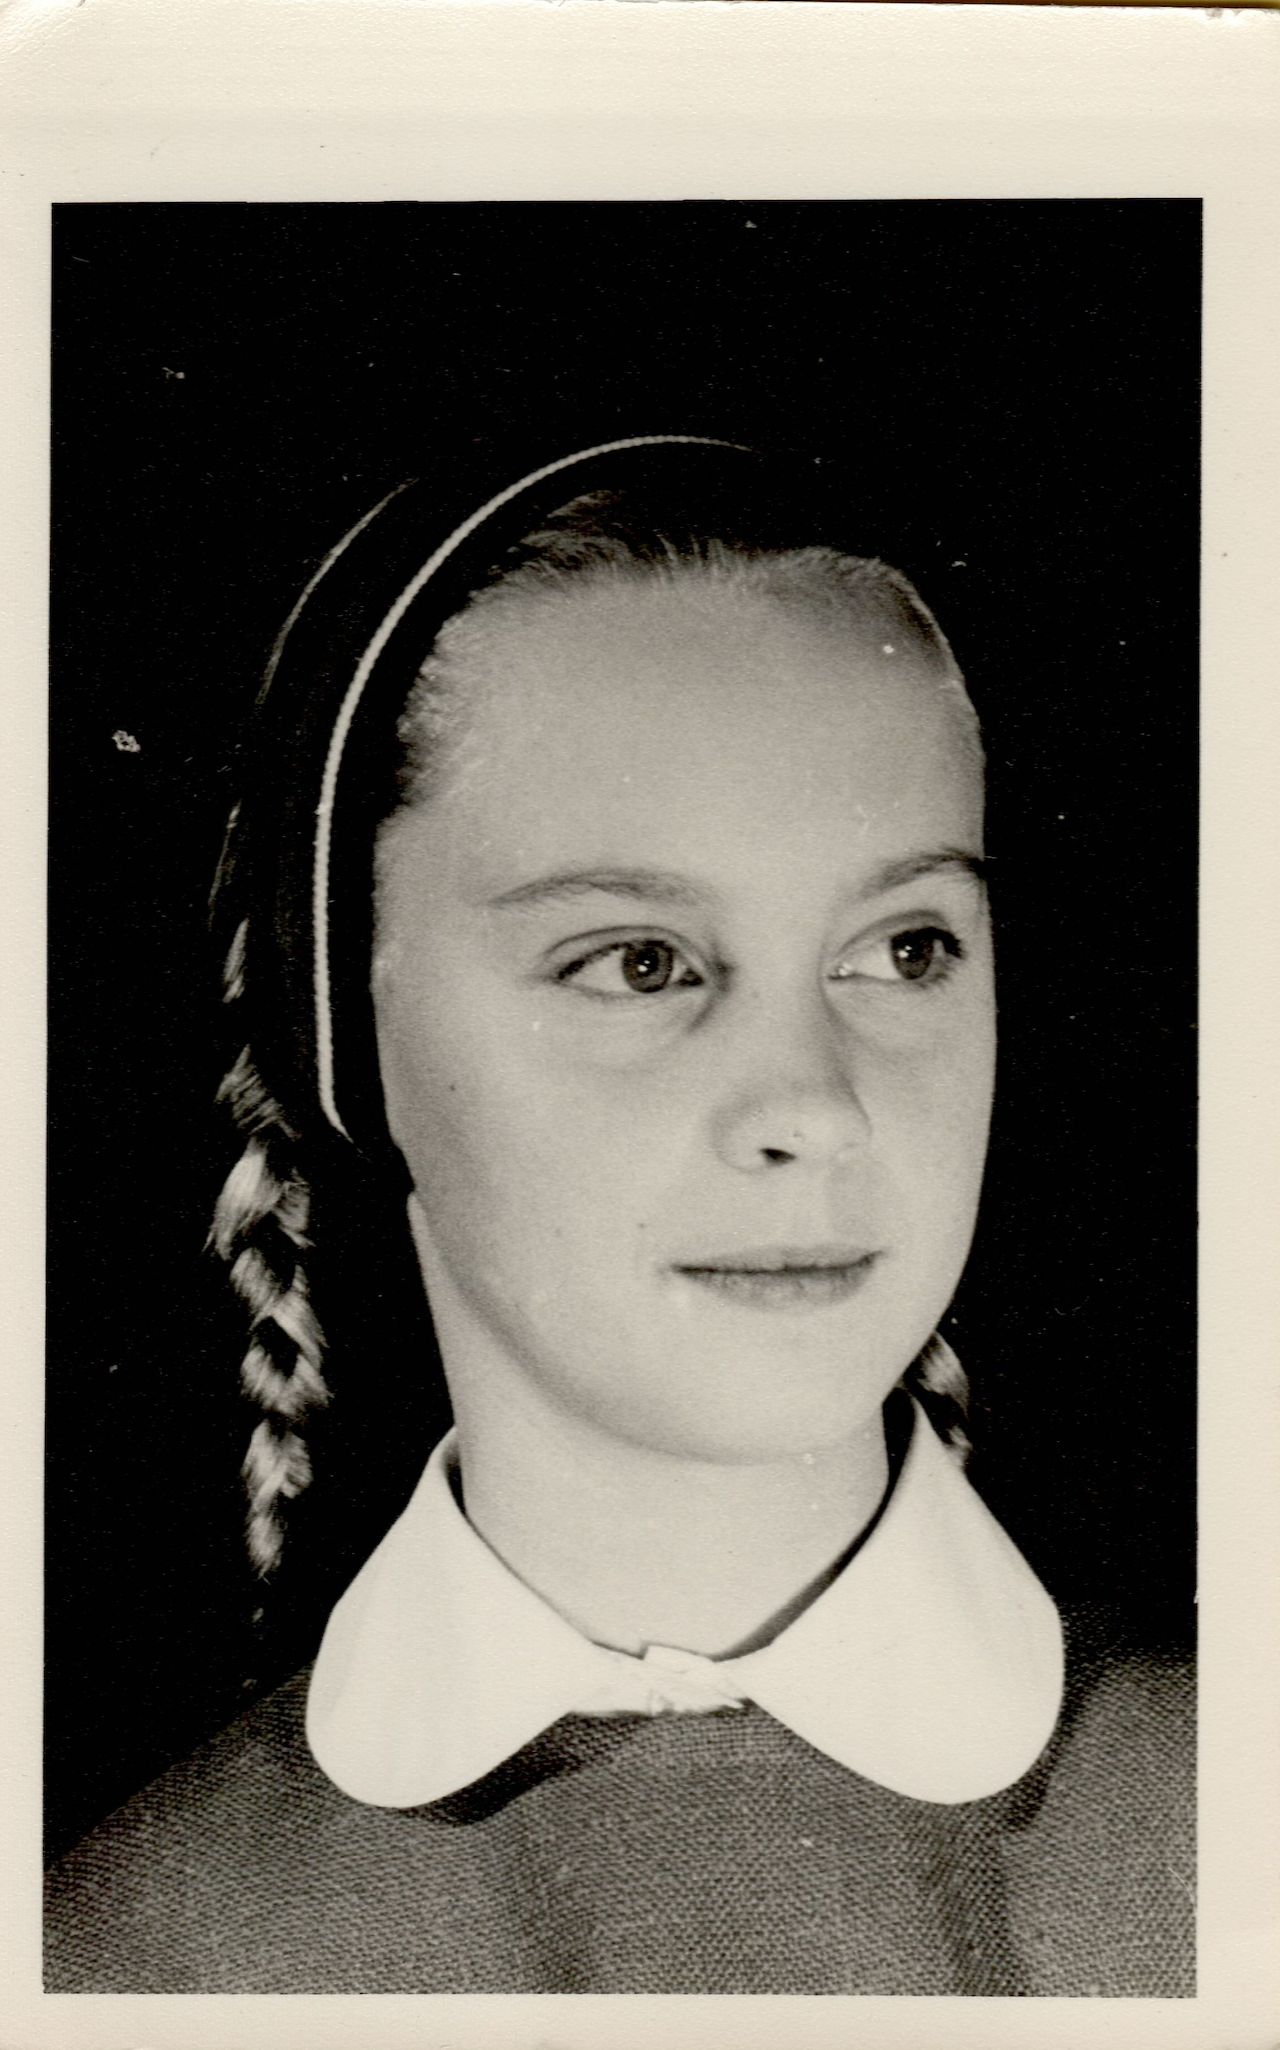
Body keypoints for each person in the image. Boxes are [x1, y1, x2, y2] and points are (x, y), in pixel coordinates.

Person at [44, 434, 1193, 1996]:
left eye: (904, 948)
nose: (814, 1107)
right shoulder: (124, 1952)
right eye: (641, 962)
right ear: (345, 1036)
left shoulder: (1219, 1812)